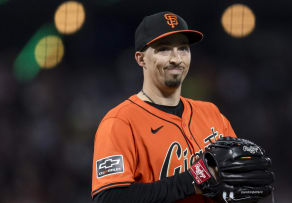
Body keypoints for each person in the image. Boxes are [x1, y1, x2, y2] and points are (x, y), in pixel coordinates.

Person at [92, 11, 239, 203]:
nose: (176, 58)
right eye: (164, 49)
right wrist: (191, 180)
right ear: (140, 59)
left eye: (183, 49)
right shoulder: (120, 122)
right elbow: (109, 197)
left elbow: (237, 178)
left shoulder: (211, 114)